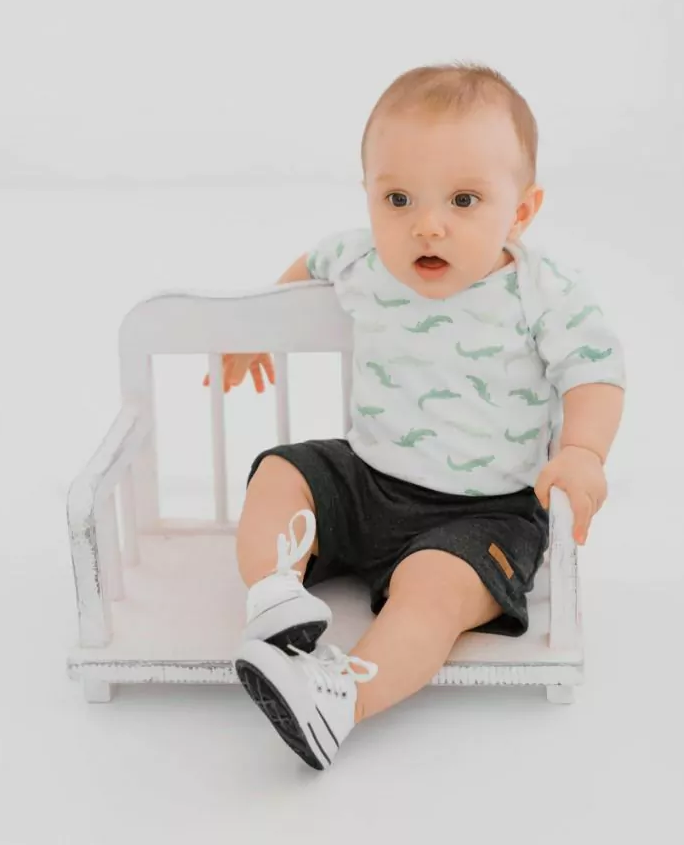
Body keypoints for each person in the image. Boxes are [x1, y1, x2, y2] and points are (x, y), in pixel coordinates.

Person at [203, 61, 627, 770]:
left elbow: (594, 370)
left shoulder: (543, 292)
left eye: (464, 200)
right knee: (281, 472)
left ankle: (341, 698)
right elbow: (310, 263)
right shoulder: (362, 259)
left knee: (434, 591)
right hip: (369, 476)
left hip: (487, 511)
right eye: (398, 198)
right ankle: (276, 597)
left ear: (520, 211)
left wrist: (583, 451)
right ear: (368, 194)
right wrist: (256, 329)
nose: (427, 226)